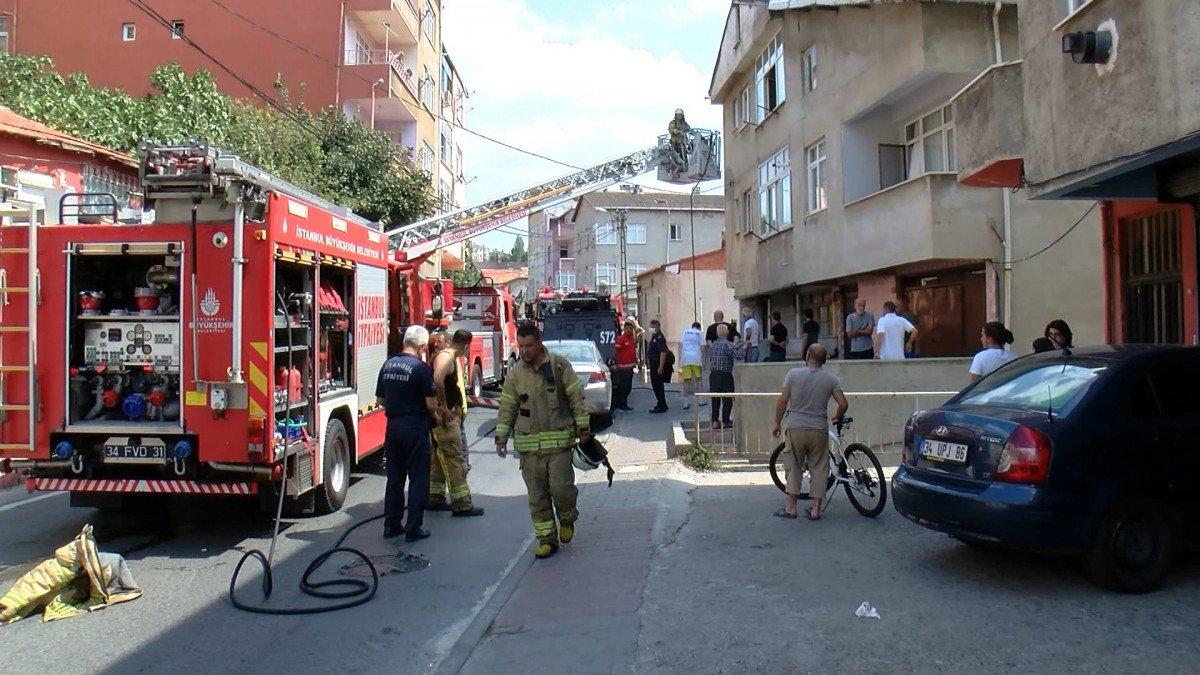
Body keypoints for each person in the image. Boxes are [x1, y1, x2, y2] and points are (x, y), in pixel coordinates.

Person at [495, 323, 591, 559]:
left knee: (562, 490)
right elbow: (507, 405)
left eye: (529, 346)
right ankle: (546, 539)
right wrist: (502, 436)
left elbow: (576, 398)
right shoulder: (516, 373)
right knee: (537, 497)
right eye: (521, 346)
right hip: (529, 448)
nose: (524, 351)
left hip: (559, 444)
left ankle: (567, 518)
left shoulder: (559, 366)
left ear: (539, 344)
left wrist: (584, 428)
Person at [376, 325, 446, 542]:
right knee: (418, 479)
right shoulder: (421, 369)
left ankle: (391, 525)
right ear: (423, 346)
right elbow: (432, 404)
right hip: (414, 427)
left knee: (394, 479)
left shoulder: (387, 365)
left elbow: (380, 400)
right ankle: (413, 528)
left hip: (393, 427)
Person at [770, 344, 848, 521]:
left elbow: (782, 400)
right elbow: (843, 404)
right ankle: (815, 510)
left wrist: (776, 423)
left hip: (796, 427)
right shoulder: (831, 379)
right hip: (818, 428)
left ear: (807, 356)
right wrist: (836, 416)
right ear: (824, 360)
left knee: (794, 465)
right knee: (819, 467)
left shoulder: (793, 374)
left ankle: (791, 508)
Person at [428, 330, 485, 517]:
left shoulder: (446, 355)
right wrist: (443, 406)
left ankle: (434, 498)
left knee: (438, 459)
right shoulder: (447, 356)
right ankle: (462, 504)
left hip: (443, 417)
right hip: (447, 418)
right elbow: (437, 379)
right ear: (466, 345)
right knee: (455, 460)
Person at [708, 323, 737, 429]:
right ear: (728, 332)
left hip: (714, 375)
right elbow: (737, 355)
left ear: (716, 333)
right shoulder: (727, 344)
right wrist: (744, 347)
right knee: (728, 399)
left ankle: (715, 421)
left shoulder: (714, 344)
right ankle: (725, 421)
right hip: (725, 375)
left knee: (715, 399)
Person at [612, 321, 637, 412]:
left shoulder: (632, 339)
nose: (629, 330)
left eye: (630, 328)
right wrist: (615, 363)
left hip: (630, 367)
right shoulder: (621, 339)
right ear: (624, 329)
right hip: (622, 368)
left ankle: (624, 404)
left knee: (628, 387)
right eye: (627, 328)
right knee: (623, 387)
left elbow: (633, 352)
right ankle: (622, 405)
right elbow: (616, 352)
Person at [647, 319, 670, 413]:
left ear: (657, 328)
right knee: (656, 386)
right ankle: (661, 403)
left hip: (657, 365)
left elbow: (663, 352)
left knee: (658, 386)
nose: (650, 329)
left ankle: (662, 405)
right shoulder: (654, 337)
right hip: (653, 365)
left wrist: (660, 367)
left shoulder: (660, 338)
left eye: (652, 327)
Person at [680, 321, 704, 409]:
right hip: (696, 358)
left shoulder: (685, 332)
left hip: (685, 357)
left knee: (686, 380)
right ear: (699, 328)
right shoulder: (700, 333)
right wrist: (703, 360)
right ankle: (700, 400)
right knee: (698, 379)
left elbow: (681, 345)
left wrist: (680, 358)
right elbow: (702, 347)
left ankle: (685, 401)